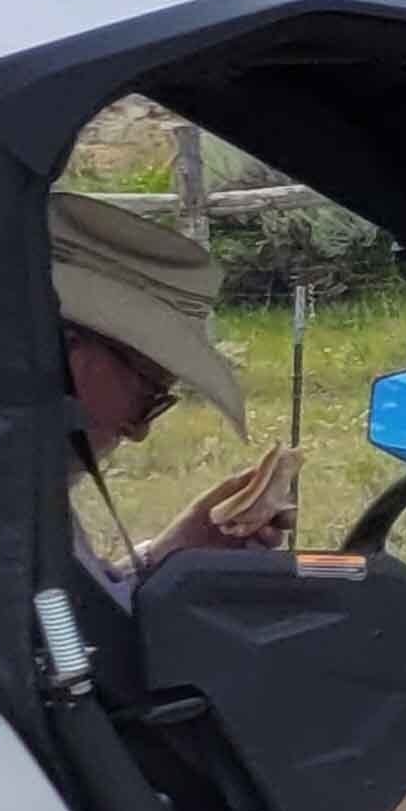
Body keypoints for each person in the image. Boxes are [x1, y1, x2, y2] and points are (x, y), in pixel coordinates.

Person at [54, 192, 295, 578]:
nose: (139, 430)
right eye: (148, 394)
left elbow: (77, 619)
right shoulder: (6, 498)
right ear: (66, 349)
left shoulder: (21, 488)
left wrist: (176, 550)